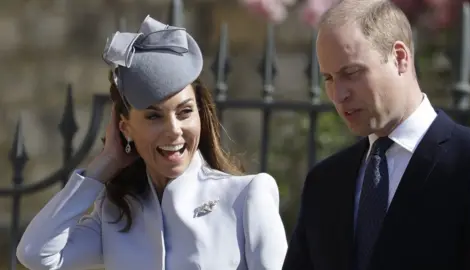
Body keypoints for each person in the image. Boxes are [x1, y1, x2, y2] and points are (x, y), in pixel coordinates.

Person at [16, 15, 288, 270]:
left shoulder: (246, 196)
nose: (174, 131)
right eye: (154, 116)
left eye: (185, 112)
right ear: (126, 128)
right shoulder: (115, 212)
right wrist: (105, 164)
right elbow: (35, 253)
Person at [282, 0, 470, 269]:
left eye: (351, 73)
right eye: (328, 78)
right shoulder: (324, 183)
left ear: (400, 58)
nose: (339, 95)